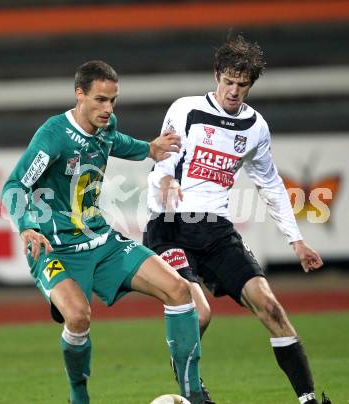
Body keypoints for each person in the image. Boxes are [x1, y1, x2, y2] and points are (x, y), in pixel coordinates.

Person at [1, 60, 206, 404]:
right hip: (55, 248)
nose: (108, 109)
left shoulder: (106, 125)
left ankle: (195, 395)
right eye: (100, 100)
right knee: (79, 317)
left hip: (103, 241)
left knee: (178, 289)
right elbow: (14, 185)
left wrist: (148, 149)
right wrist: (27, 227)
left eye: (113, 100)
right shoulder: (53, 136)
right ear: (79, 95)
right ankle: (79, 397)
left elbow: (114, 142)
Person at [144, 35, 331, 404]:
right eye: (228, 81)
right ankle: (193, 393)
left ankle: (309, 400)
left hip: (216, 229)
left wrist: (296, 240)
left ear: (250, 85)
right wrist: (164, 179)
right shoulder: (185, 109)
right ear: (216, 75)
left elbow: (271, 184)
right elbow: (162, 158)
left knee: (272, 308)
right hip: (170, 226)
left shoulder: (255, 127)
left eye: (242, 85)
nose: (233, 91)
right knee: (197, 315)